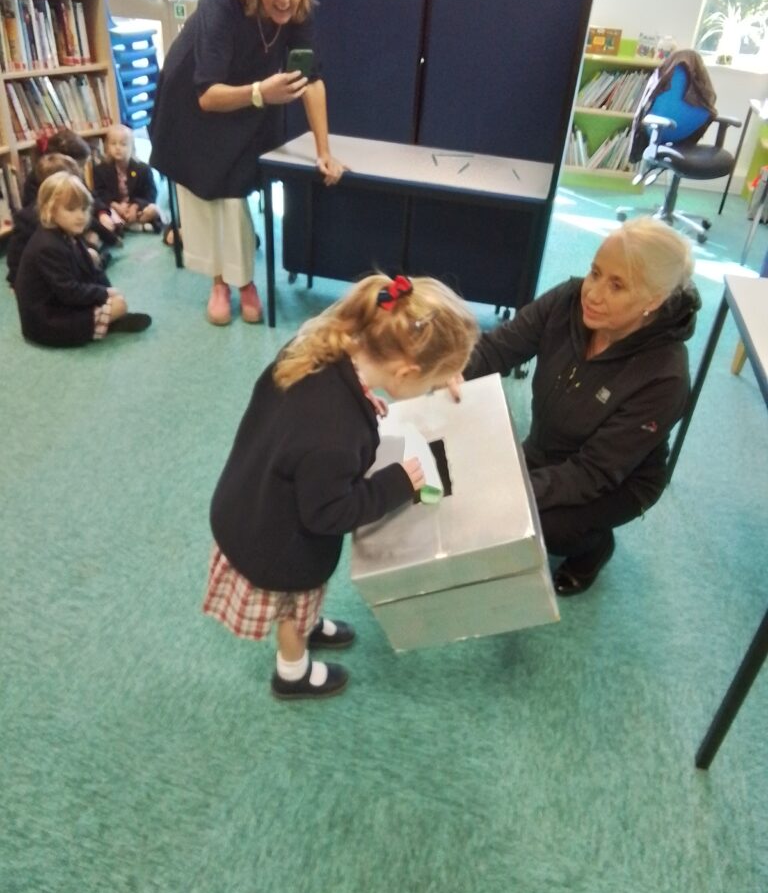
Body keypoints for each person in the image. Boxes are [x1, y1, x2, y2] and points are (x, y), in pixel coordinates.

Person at [205, 274, 479, 699]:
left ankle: (310, 626)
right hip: (278, 544)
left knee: (302, 609)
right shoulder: (333, 432)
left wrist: (438, 374)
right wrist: (398, 483)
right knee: (293, 611)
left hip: (250, 499)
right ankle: (292, 674)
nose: (428, 390)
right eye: (429, 383)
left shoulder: (326, 344)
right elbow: (329, 513)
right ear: (406, 371)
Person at [461, 217, 701, 596]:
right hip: (548, 446)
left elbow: (593, 472)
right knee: (486, 489)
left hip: (618, 480)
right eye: (595, 272)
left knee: (544, 526)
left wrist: (513, 489)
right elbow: (497, 349)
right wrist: (447, 375)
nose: (593, 293)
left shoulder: (665, 376)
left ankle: (594, 548)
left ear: (653, 300)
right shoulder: (568, 300)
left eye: (617, 285)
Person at [149, 0, 346, 327]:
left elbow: (311, 80)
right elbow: (206, 93)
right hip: (195, 101)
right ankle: (219, 282)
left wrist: (324, 152)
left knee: (236, 191)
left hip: (252, 95)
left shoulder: (297, 9)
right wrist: (260, 92)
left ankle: (246, 282)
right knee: (204, 192)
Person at [14, 172, 152, 348]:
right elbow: (68, 291)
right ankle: (106, 322)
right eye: (71, 209)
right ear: (50, 210)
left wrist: (106, 290)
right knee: (119, 306)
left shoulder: (66, 232)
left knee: (96, 266)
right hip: (47, 322)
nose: (80, 216)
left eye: (84, 209)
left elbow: (90, 270)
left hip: (60, 303)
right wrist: (103, 294)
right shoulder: (47, 246)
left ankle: (106, 320)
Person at [23, 129, 123, 252]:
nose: (81, 171)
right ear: (64, 163)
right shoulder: (38, 182)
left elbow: (88, 196)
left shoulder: (70, 176)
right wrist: (105, 234)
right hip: (54, 230)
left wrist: (102, 213)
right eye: (79, 165)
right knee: (88, 244)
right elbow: (46, 220)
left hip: (70, 225)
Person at [6, 153, 81, 288]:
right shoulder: (29, 218)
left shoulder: (64, 210)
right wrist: (15, 280)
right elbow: (14, 254)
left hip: (54, 258)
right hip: (37, 273)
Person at [93, 124, 163, 233]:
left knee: (154, 210)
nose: (118, 148)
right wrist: (115, 205)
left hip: (137, 209)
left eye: (123, 144)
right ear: (107, 147)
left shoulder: (143, 169)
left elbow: (151, 193)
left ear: (132, 147)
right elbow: (99, 193)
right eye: (113, 144)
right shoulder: (100, 170)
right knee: (104, 218)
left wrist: (135, 206)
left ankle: (129, 225)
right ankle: (131, 226)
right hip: (114, 209)